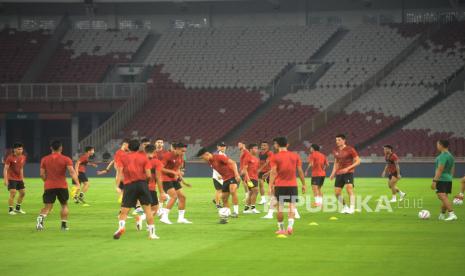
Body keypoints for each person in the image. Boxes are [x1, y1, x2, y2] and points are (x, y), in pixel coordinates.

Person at [113, 139, 158, 240]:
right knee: (148, 211)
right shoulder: (144, 157)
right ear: (139, 147)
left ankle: (121, 227)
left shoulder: (123, 157)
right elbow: (149, 175)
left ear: (128, 147)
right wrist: (145, 183)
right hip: (142, 184)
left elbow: (119, 172)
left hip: (129, 185)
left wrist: (117, 186)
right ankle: (152, 234)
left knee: (124, 210)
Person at [36, 140, 81, 231]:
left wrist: (46, 180)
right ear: (61, 148)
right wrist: (77, 183)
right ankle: (64, 225)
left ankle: (41, 218)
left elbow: (42, 174)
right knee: (64, 205)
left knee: (47, 207)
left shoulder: (44, 159)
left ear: (51, 148)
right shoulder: (66, 159)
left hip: (49, 186)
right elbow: (72, 172)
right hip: (62, 186)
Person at [269, 137, 306, 236]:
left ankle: (281, 229)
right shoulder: (295, 156)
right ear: (287, 144)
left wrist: (270, 186)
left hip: (280, 185)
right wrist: (303, 184)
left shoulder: (274, 157)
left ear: (276, 145)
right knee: (292, 206)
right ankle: (290, 227)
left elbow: (273, 172)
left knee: (280, 208)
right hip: (292, 185)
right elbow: (300, 171)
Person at [197, 148, 241, 222]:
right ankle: (226, 214)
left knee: (233, 191)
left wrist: (236, 174)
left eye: (202, 157)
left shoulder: (219, 157)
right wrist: (222, 176)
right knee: (224, 198)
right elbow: (221, 168)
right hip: (225, 179)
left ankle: (236, 212)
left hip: (233, 176)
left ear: (206, 154)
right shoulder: (210, 162)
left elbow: (233, 163)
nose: (202, 159)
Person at [159, 143, 192, 224]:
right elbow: (160, 168)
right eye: (182, 151)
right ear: (176, 149)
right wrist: (172, 172)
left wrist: (184, 182)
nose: (183, 153)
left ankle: (181, 219)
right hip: (165, 178)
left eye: (185, 151)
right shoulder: (167, 156)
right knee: (173, 197)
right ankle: (164, 217)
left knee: (183, 197)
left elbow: (177, 170)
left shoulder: (180, 157)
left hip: (173, 179)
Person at [329, 134, 361, 214]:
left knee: (349, 188)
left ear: (344, 140)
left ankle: (352, 208)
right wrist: (332, 173)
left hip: (348, 172)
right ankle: (345, 207)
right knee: (337, 193)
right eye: (336, 140)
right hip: (339, 173)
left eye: (339, 140)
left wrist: (348, 168)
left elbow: (358, 161)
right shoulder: (335, 150)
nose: (337, 142)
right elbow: (336, 162)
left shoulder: (350, 149)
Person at [97, 138, 129, 203]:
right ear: (125, 144)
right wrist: (105, 170)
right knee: (122, 189)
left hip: (122, 175)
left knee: (119, 188)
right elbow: (114, 163)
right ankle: (123, 199)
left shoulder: (121, 153)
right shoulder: (121, 153)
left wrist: (106, 170)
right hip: (123, 175)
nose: (129, 147)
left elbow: (113, 162)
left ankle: (123, 198)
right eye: (128, 146)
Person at [432, 140, 457, 221]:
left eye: (437, 144)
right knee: (444, 197)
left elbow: (440, 169)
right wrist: (450, 177)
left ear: (441, 145)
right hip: (448, 178)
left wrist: (434, 181)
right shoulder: (450, 156)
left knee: (441, 196)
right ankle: (442, 215)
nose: (437, 146)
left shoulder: (443, 156)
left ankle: (452, 213)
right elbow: (453, 168)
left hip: (441, 179)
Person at [145, 144, 166, 229]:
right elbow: (158, 177)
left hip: (136, 186)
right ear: (154, 152)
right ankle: (146, 223)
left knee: (143, 207)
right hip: (150, 188)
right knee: (154, 209)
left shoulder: (139, 159)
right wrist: (161, 192)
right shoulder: (156, 161)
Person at [3, 143, 27, 215]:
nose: (21, 150)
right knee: (13, 193)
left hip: (19, 179)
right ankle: (10, 210)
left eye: (22, 149)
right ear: (14, 149)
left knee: (23, 193)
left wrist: (22, 178)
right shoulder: (10, 158)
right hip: (11, 178)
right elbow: (5, 169)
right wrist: (5, 179)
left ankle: (17, 208)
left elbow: (21, 168)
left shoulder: (23, 157)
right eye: (19, 149)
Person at [242, 144, 260, 214]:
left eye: (257, 148)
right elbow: (245, 169)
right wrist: (248, 178)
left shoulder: (256, 158)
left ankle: (246, 209)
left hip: (255, 178)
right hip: (249, 178)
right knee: (255, 190)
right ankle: (253, 208)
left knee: (251, 192)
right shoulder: (247, 157)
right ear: (251, 149)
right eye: (255, 148)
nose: (256, 150)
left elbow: (255, 169)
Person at [212, 142, 227, 209]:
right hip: (218, 176)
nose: (223, 147)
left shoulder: (224, 154)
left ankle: (216, 200)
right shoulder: (216, 154)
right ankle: (217, 204)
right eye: (221, 146)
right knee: (219, 190)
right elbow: (214, 165)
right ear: (218, 147)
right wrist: (220, 174)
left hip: (222, 175)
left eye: (224, 146)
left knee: (222, 190)